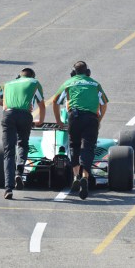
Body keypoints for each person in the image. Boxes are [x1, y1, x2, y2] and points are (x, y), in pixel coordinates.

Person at [51, 61, 109, 200]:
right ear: (87, 72)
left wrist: (59, 121)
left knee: (74, 146)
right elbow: (104, 104)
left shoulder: (69, 83)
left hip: (74, 117)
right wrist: (98, 120)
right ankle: (85, 176)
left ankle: (76, 175)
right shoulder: (95, 84)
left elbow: (55, 101)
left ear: (73, 73)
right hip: (91, 118)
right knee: (88, 148)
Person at [0, 68, 45, 200]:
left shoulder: (7, 83)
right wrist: (40, 121)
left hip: (8, 114)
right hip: (25, 115)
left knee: (8, 152)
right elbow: (42, 105)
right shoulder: (34, 82)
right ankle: (19, 171)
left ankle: (8, 188)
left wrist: (8, 105)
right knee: (23, 144)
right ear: (32, 76)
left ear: (19, 76)